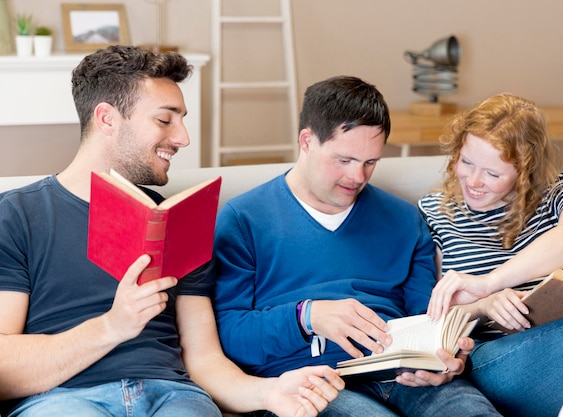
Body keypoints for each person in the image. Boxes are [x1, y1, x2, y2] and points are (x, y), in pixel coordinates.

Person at [0, 45, 344, 417]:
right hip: (63, 400)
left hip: (173, 397)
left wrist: (269, 393)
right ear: (107, 119)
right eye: (165, 120)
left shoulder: (177, 219)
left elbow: (205, 360)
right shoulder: (17, 215)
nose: (183, 138)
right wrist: (112, 326)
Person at [211, 75, 501, 417]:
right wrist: (307, 317)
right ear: (307, 141)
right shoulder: (243, 219)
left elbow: (424, 316)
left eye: (370, 162)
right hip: (310, 380)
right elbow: (231, 336)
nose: (358, 177)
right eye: (344, 160)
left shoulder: (406, 221)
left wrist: (445, 355)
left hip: (402, 376)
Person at [418, 93, 563, 417]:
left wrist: (489, 283)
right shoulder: (432, 214)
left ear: (525, 170)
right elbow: (430, 312)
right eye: (467, 162)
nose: (473, 181)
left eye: (492, 173)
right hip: (492, 360)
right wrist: (486, 305)